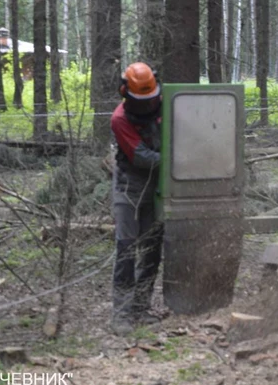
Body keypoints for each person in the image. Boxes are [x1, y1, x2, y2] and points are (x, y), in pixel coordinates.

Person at [110, 62, 163, 335]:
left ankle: (141, 307)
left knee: (152, 248)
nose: (147, 105)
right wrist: (177, 161)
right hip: (129, 185)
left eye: (150, 99)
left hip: (159, 184)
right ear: (125, 93)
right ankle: (122, 313)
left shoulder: (167, 104)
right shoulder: (120, 118)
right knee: (127, 249)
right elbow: (141, 156)